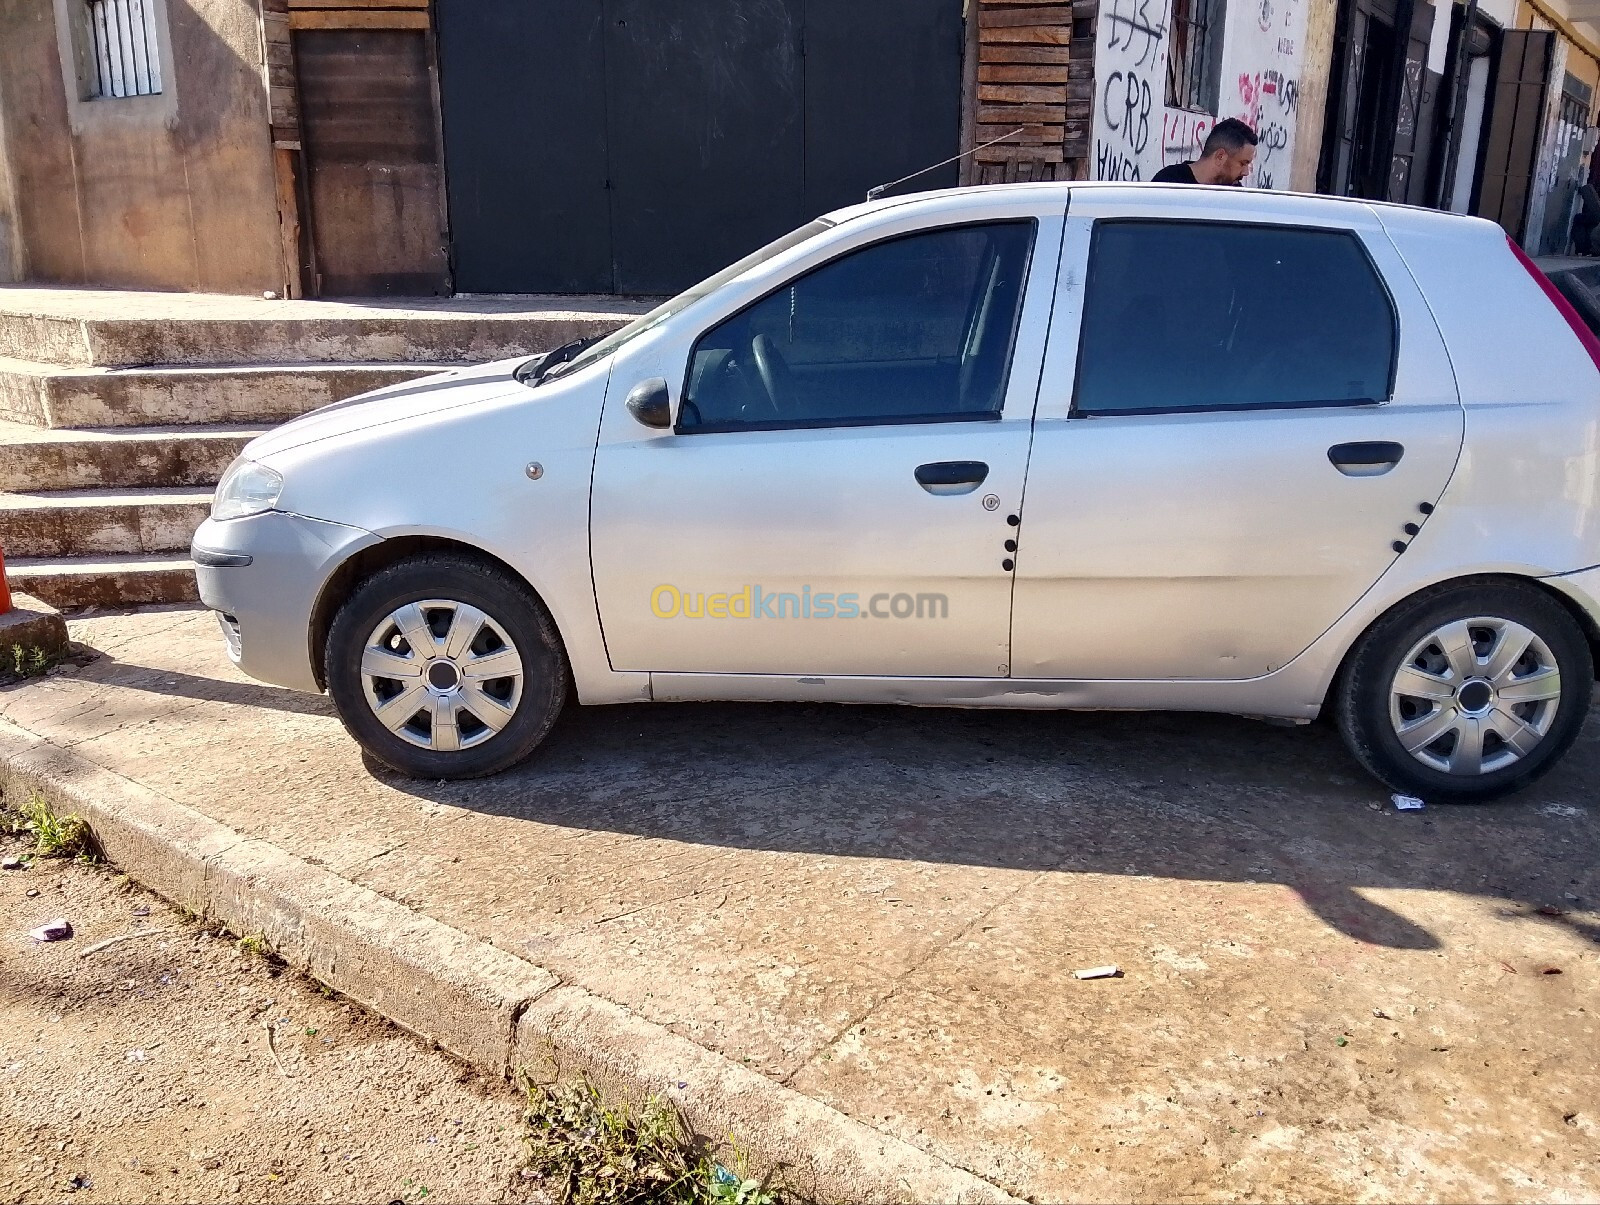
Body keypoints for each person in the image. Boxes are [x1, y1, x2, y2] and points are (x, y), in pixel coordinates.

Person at [1152, 118, 1259, 185]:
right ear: (1220, 156)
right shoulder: (1169, 183)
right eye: (1242, 163)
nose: (1246, 172)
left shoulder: (1236, 196)